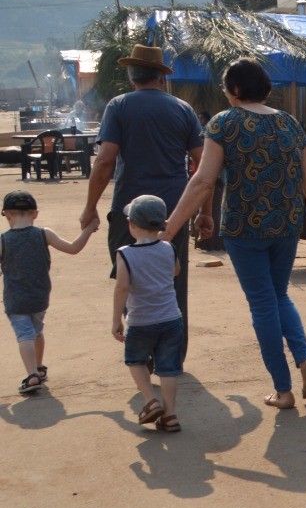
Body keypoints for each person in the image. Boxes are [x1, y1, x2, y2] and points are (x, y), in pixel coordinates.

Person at [166, 58, 306, 410]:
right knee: (279, 296)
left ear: (236, 89)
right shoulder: (290, 124)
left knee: (262, 304)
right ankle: (305, 361)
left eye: (227, 87)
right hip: (287, 224)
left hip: (244, 227)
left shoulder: (223, 124)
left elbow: (203, 180)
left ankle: (283, 390)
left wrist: (170, 228)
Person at [81, 42, 204, 371]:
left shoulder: (119, 106)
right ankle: (171, 357)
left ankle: (144, 349)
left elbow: (105, 161)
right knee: (173, 281)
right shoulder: (182, 109)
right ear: (161, 78)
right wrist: (203, 211)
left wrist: (90, 207)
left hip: (130, 211)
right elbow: (202, 164)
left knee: (128, 274)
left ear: (132, 76)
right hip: (172, 212)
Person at [2, 190, 97, 395]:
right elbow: (73, 248)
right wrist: (89, 229)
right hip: (40, 296)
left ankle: (32, 375)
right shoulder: (44, 233)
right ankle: (39, 367)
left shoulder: (3, 241)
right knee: (37, 331)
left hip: (15, 299)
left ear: (6, 214)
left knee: (24, 335)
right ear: (35, 213)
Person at [113, 196, 184, 433]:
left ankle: (150, 401)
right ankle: (171, 415)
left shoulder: (125, 253)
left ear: (131, 223)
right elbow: (176, 271)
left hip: (141, 321)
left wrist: (116, 320)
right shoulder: (168, 247)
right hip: (171, 319)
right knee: (168, 369)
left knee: (136, 361)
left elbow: (122, 287)